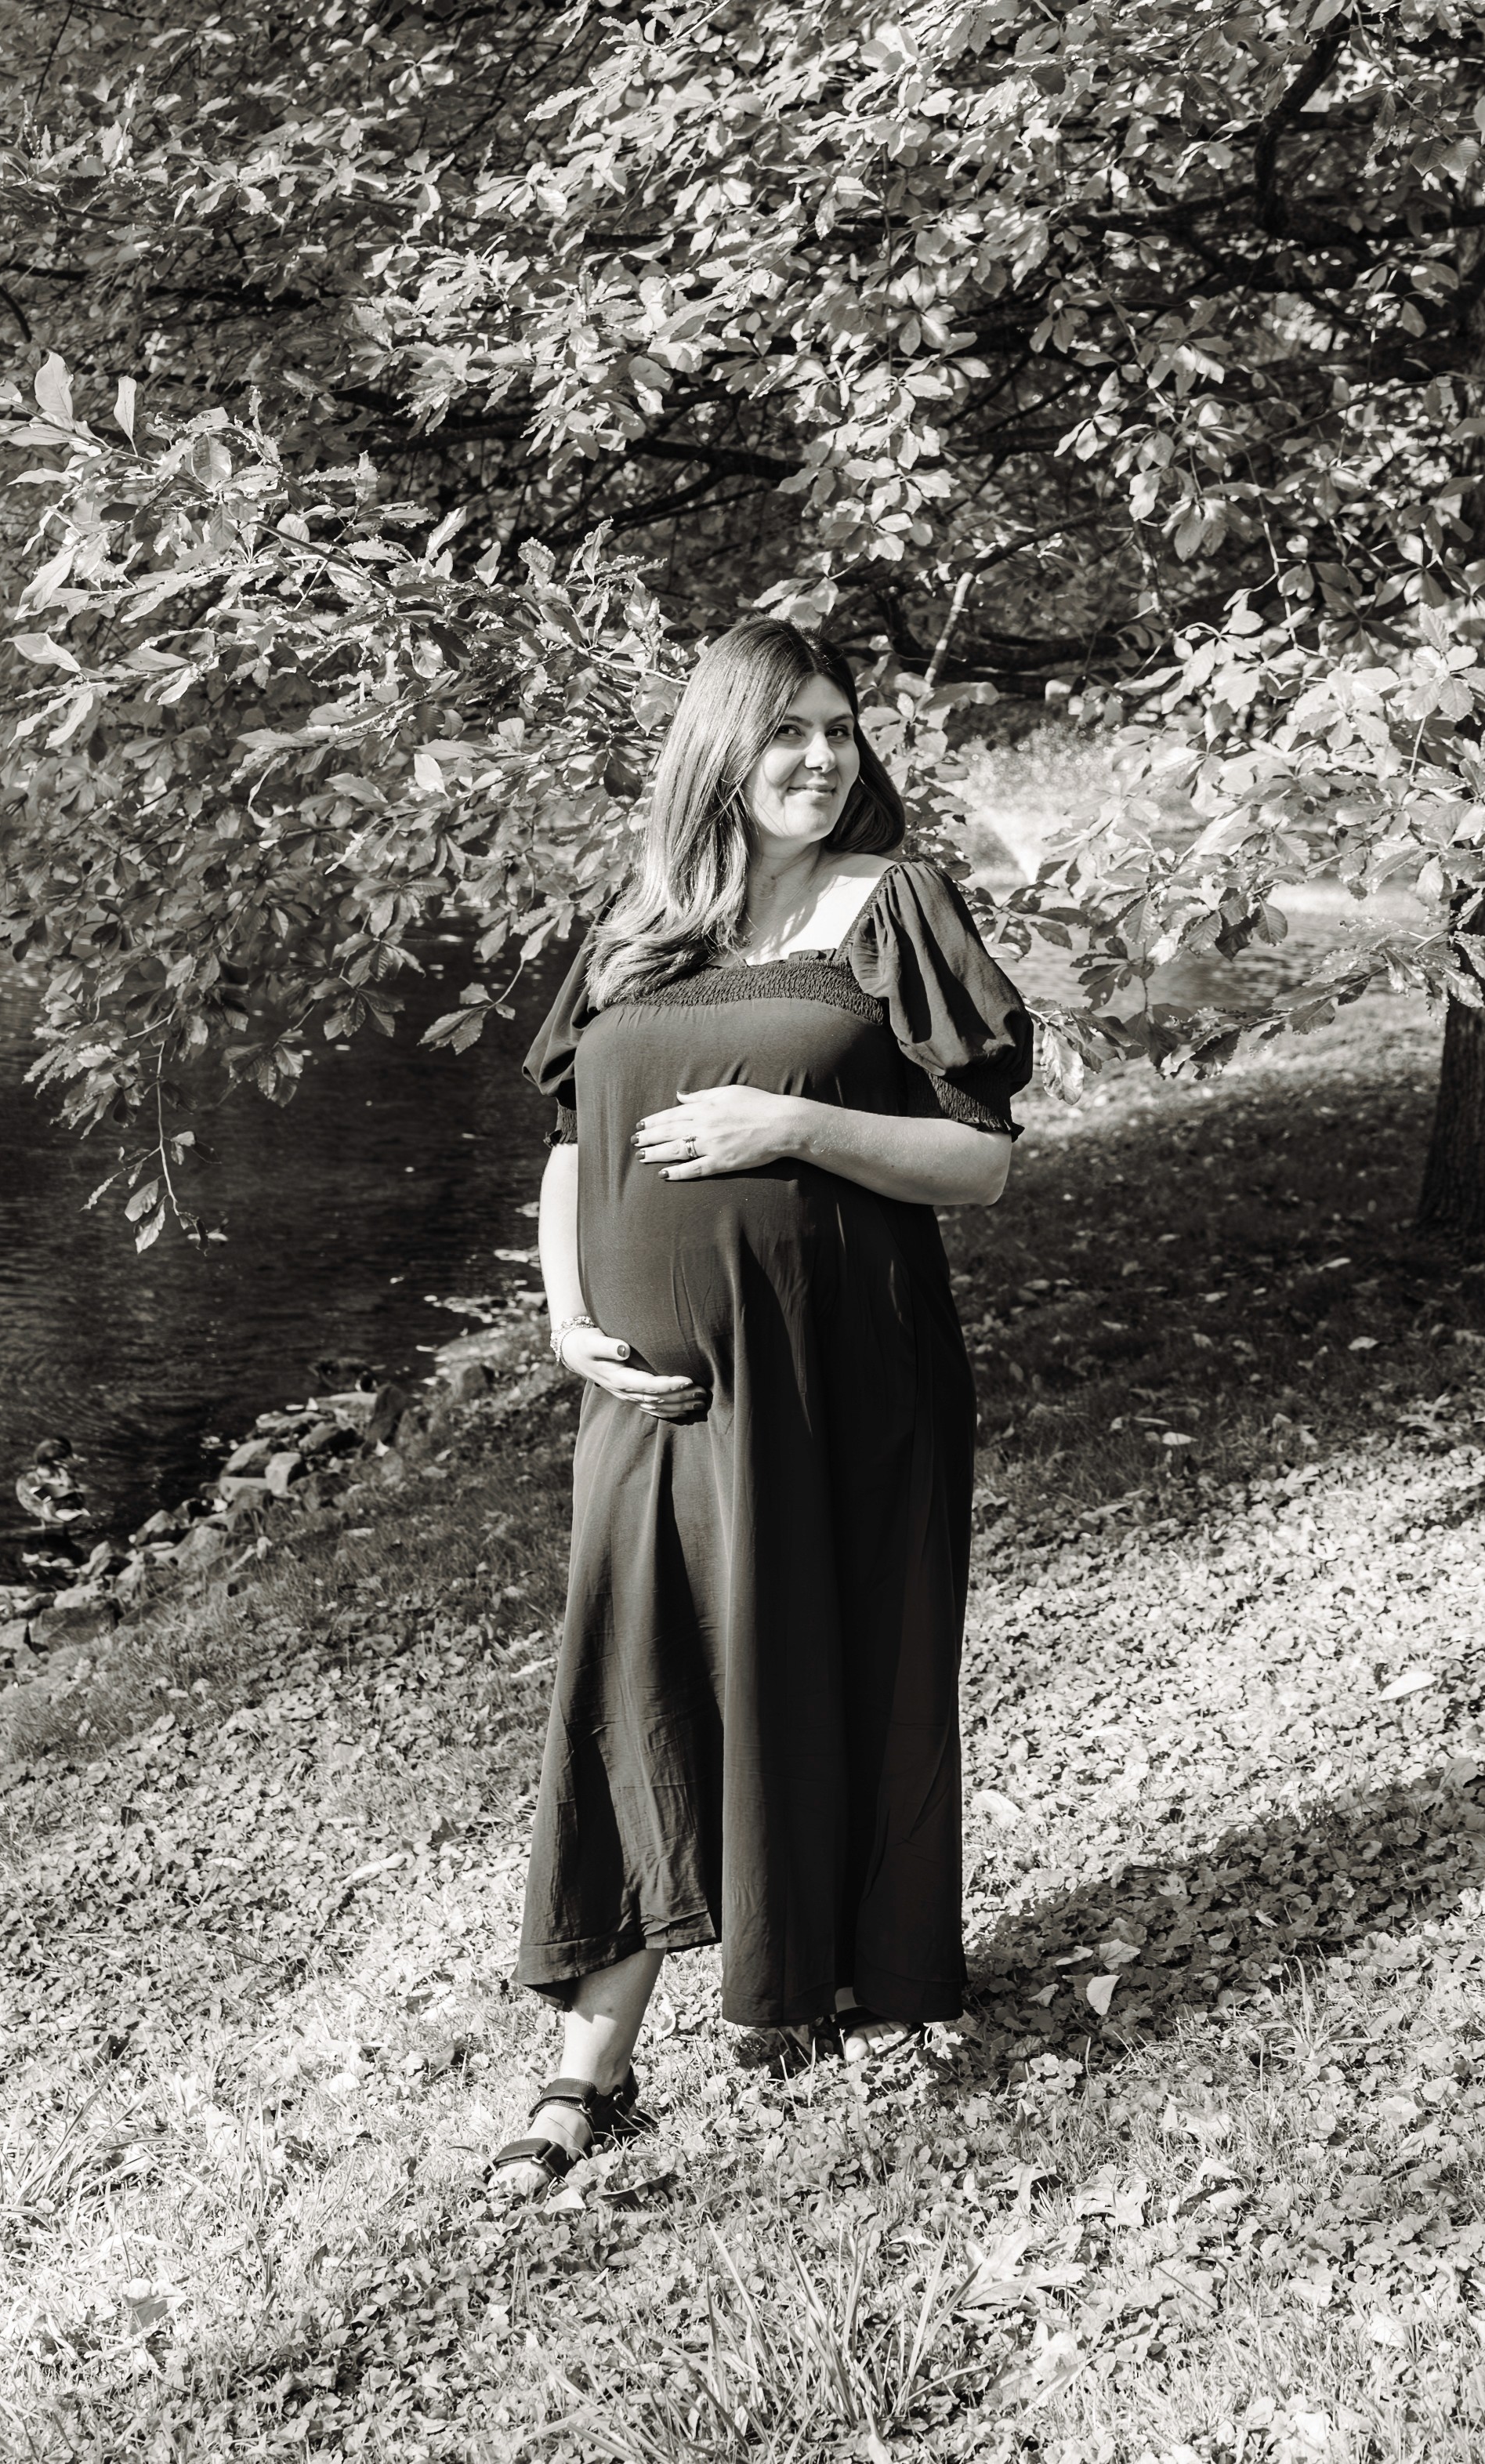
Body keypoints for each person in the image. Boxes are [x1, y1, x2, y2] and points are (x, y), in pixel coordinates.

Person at [484, 618, 1033, 2197]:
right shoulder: (643, 925)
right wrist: (572, 1314)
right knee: (632, 1687)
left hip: (839, 1377)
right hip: (647, 1399)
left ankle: (832, 1986)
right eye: (786, 730)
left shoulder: (895, 907)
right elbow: (569, 1147)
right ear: (718, 751)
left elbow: (983, 1161)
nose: (818, 756)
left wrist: (790, 1121)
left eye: (840, 731)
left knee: (817, 1668)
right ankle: (590, 2069)